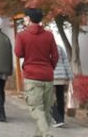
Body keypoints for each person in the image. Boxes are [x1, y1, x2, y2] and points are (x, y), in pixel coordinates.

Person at [15, 8, 58, 137]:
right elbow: (55, 56)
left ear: (28, 18)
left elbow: (18, 53)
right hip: (47, 76)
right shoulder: (49, 35)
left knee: (36, 108)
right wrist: (50, 68)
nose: (24, 19)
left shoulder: (22, 35)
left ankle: (47, 134)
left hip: (32, 76)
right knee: (46, 110)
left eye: (25, 17)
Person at [51, 44, 73, 128]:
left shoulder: (46, 47)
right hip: (62, 76)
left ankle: (58, 118)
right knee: (60, 98)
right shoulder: (59, 47)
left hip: (51, 76)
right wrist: (70, 76)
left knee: (48, 97)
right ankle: (61, 118)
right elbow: (66, 62)